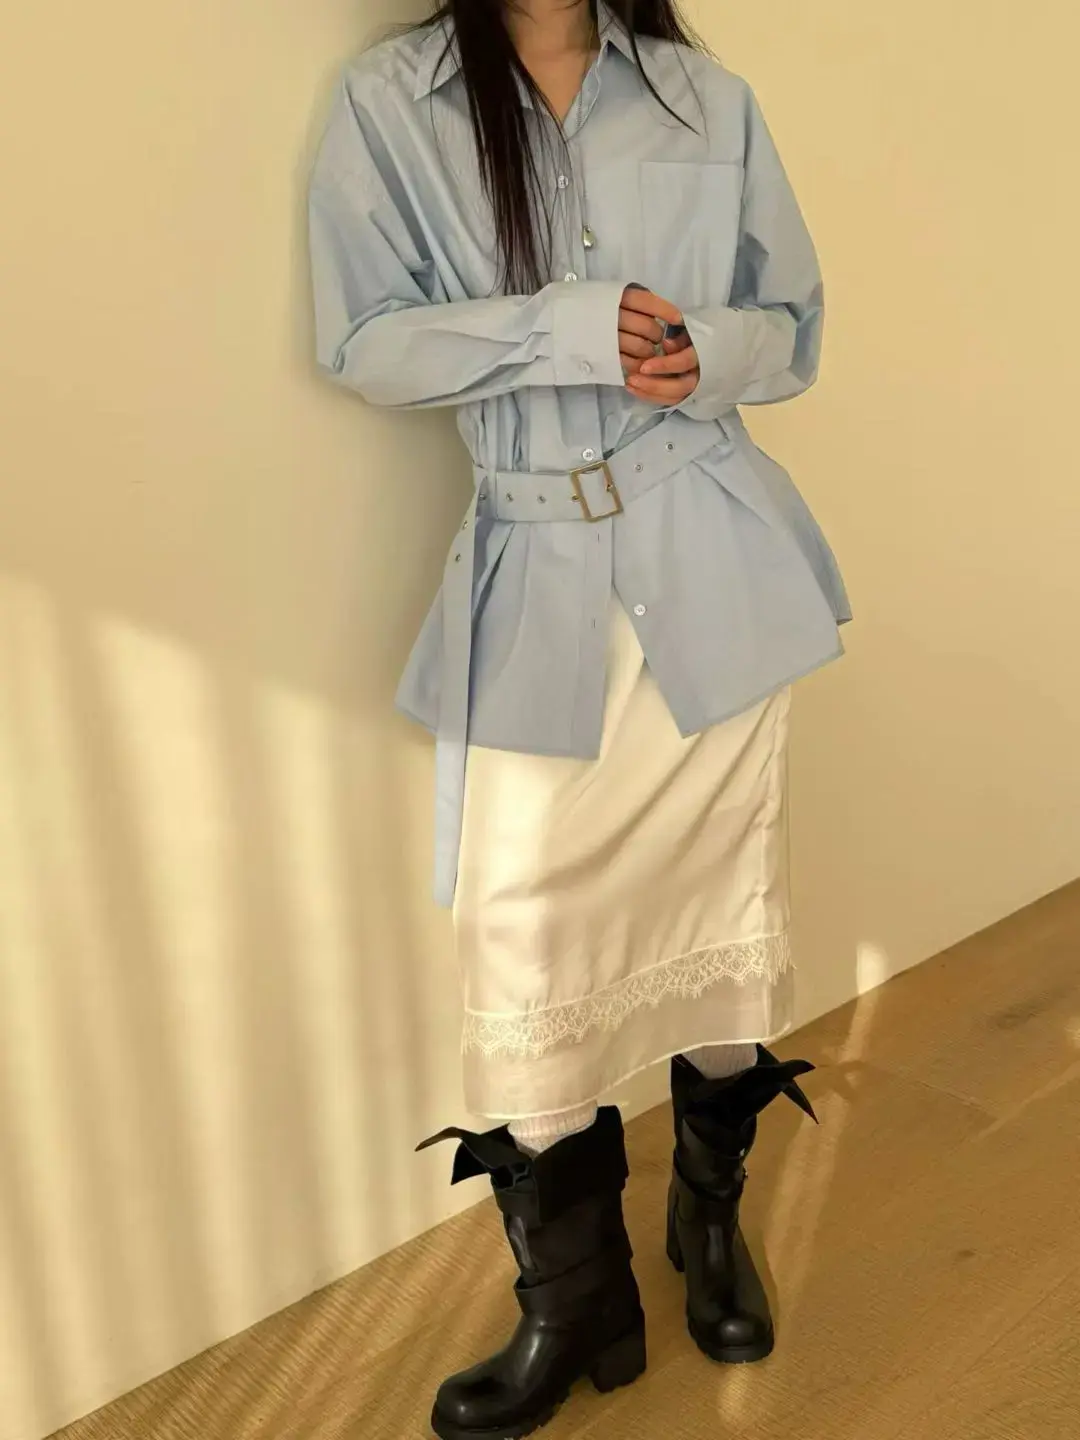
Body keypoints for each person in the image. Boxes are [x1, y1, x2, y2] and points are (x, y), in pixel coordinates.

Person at [309, 2, 850, 1436]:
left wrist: (708, 351)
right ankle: (575, 1299)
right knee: (524, 932)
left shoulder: (701, 95)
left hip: (713, 561)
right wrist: (561, 326)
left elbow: (793, 323)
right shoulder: (392, 100)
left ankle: (707, 1226)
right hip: (538, 576)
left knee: (725, 905)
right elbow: (362, 342)